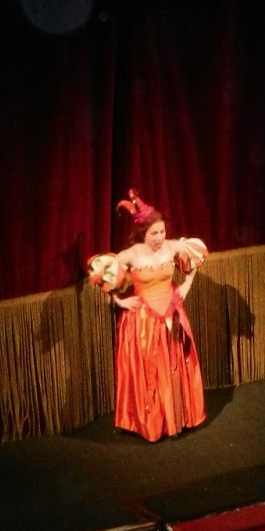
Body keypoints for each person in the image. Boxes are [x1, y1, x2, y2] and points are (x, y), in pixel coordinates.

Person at [87, 189, 208, 442]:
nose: (159, 237)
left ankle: (176, 418)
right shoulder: (130, 255)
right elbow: (103, 276)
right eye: (154, 233)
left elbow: (195, 257)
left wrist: (186, 285)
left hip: (170, 314)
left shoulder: (172, 247)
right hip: (143, 321)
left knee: (173, 366)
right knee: (150, 371)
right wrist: (119, 300)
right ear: (143, 233)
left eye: (162, 232)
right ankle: (152, 423)